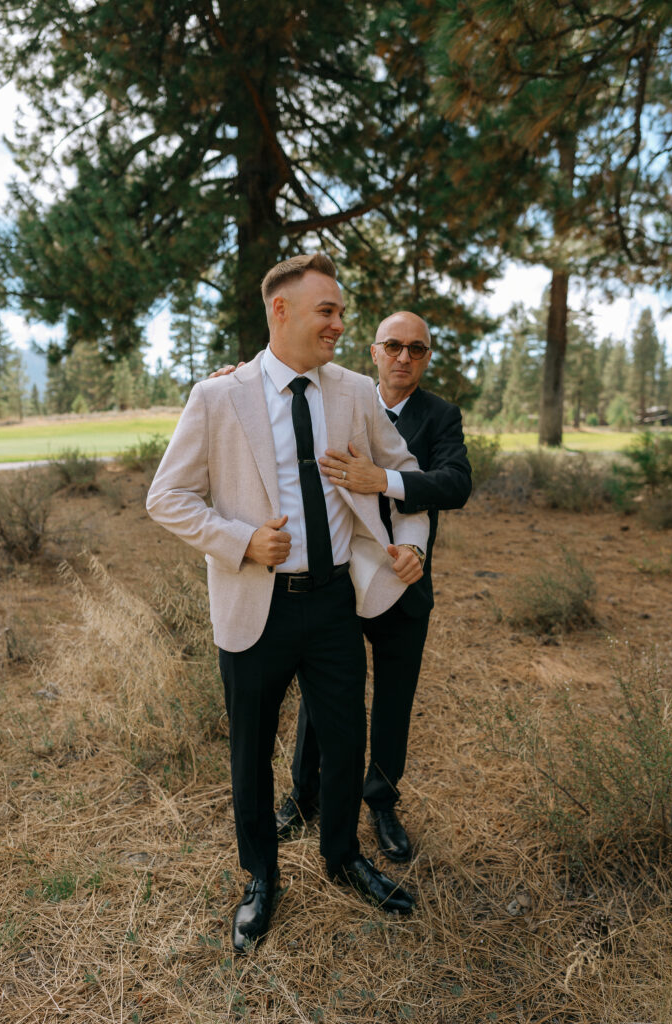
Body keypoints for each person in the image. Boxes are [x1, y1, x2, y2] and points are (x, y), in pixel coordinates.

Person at [146, 255, 429, 954]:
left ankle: (341, 856)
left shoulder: (356, 390)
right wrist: (241, 541)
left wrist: (411, 539)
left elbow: (408, 474)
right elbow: (167, 498)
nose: (339, 323)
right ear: (280, 312)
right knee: (250, 751)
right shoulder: (218, 397)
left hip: (334, 600)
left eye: (340, 310)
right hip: (255, 603)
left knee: (343, 739)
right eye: (325, 311)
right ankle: (260, 877)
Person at [274, 311, 471, 861]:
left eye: (417, 349)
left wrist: (380, 480)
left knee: (393, 697)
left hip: (403, 576)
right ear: (374, 351)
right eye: (394, 346)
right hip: (335, 579)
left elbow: (455, 484)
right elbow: (274, 382)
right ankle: (305, 794)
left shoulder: (440, 416)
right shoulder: (333, 396)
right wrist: (232, 373)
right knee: (322, 696)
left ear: (427, 356)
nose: (404, 357)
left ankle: (381, 801)